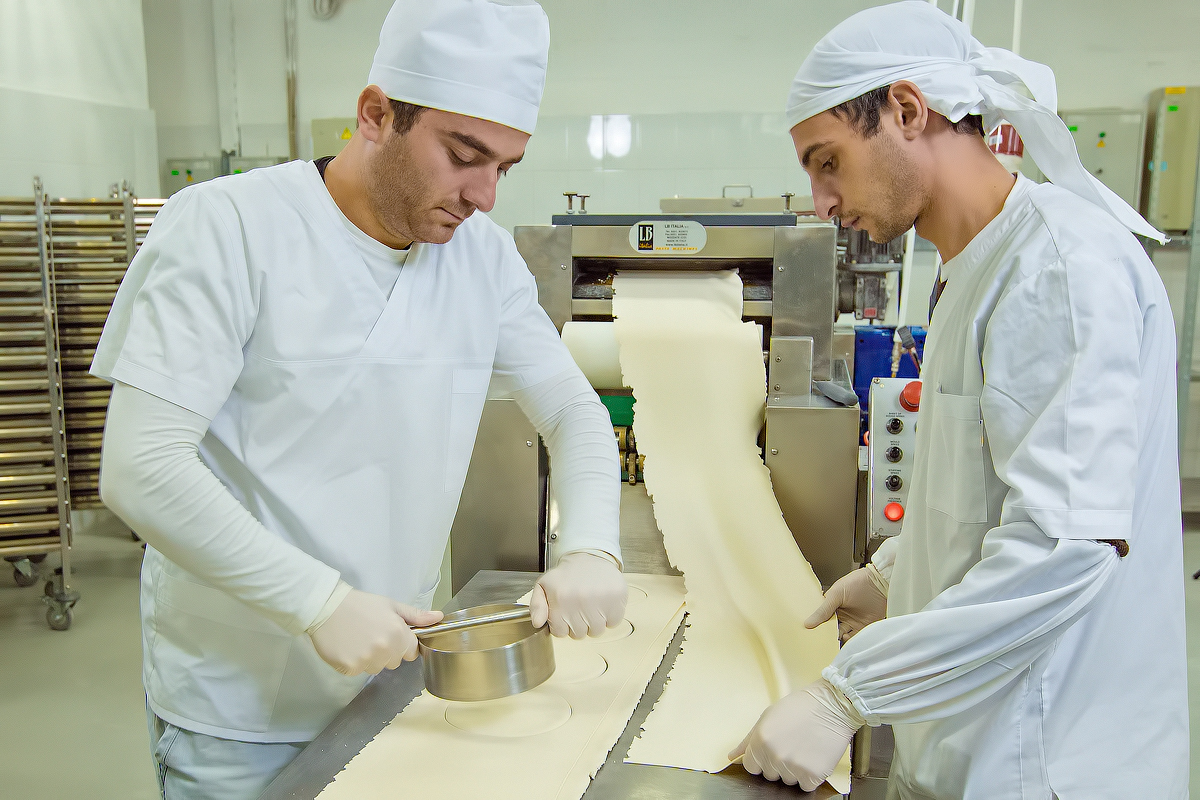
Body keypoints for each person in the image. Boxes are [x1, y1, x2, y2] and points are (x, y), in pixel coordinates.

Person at [93, 1, 627, 797]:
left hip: (390, 688)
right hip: (235, 712)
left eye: (505, 168)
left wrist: (591, 547)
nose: (484, 194)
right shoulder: (229, 228)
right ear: (375, 114)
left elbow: (574, 412)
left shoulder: (481, 261)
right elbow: (142, 467)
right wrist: (316, 601)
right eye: (464, 155)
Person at [730, 3, 1188, 798]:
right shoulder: (971, 268)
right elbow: (987, 491)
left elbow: (1062, 548)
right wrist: (895, 575)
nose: (822, 201)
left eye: (829, 162)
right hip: (968, 748)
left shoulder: (1055, 270)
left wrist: (847, 695)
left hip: (1045, 762)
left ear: (908, 111)